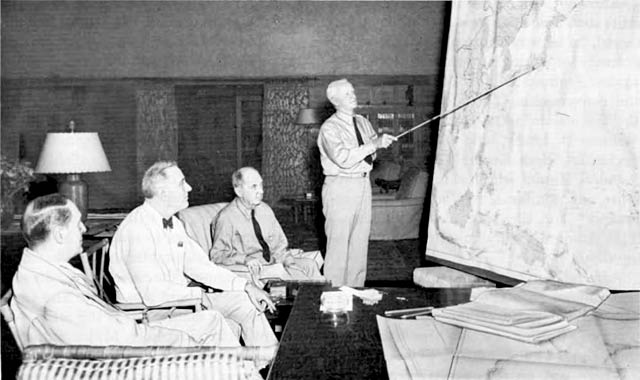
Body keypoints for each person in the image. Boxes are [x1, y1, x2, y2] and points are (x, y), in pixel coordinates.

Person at [10, 193, 240, 347]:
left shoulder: (43, 270)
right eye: (77, 223)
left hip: (126, 332)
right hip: (129, 361)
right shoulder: (55, 296)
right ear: (60, 234)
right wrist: (182, 340)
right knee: (213, 334)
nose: (84, 228)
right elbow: (122, 342)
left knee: (214, 321)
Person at [109, 161, 277, 348]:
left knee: (247, 302)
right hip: (151, 314)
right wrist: (197, 294)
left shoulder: (173, 223)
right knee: (217, 320)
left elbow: (201, 267)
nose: (189, 187)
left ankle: (271, 365)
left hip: (180, 302)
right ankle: (244, 373)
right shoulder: (137, 228)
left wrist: (246, 286)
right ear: (163, 193)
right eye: (182, 183)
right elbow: (153, 293)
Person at [317, 78, 396, 287]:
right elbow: (342, 158)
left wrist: (378, 144)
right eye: (347, 94)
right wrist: (373, 145)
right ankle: (333, 296)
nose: (353, 96)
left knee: (360, 243)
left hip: (363, 184)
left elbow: (372, 153)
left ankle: (355, 290)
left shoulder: (362, 121)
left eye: (353, 92)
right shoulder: (329, 128)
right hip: (340, 186)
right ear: (335, 100)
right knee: (338, 245)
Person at [210, 167, 324, 283]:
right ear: (239, 191)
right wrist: (245, 259)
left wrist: (290, 262)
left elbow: (279, 246)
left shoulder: (265, 210)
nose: (261, 191)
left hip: (273, 262)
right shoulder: (226, 217)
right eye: (254, 186)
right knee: (292, 279)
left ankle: (325, 298)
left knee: (310, 265)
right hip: (252, 270)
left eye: (261, 185)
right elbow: (217, 255)